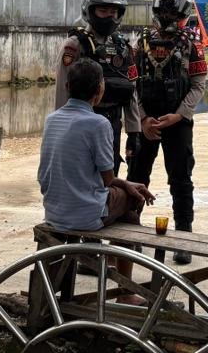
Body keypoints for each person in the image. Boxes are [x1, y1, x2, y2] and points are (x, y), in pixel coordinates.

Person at [126, 0, 208, 264]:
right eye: (165, 12)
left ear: (183, 15)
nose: (168, 18)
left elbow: (198, 86)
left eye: (174, 14)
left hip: (178, 122)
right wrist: (143, 119)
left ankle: (183, 237)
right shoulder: (140, 43)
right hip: (145, 123)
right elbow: (131, 84)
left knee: (181, 180)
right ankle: (130, 233)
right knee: (136, 177)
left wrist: (180, 115)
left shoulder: (192, 44)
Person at [39, 58, 155, 234]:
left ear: (67, 86)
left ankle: (96, 250)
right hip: (87, 217)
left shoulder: (51, 120)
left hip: (54, 214)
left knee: (124, 192)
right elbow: (107, 179)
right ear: (100, 90)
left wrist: (125, 183)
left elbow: (43, 177)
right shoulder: (99, 124)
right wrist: (126, 186)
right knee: (134, 199)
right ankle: (122, 249)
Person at [55, 0, 140, 173]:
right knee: (82, 175)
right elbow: (62, 89)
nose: (109, 16)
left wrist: (134, 133)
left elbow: (131, 91)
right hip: (81, 125)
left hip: (113, 125)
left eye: (113, 12)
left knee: (110, 175)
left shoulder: (123, 47)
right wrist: (61, 130)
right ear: (90, 11)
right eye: (103, 11)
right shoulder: (75, 45)